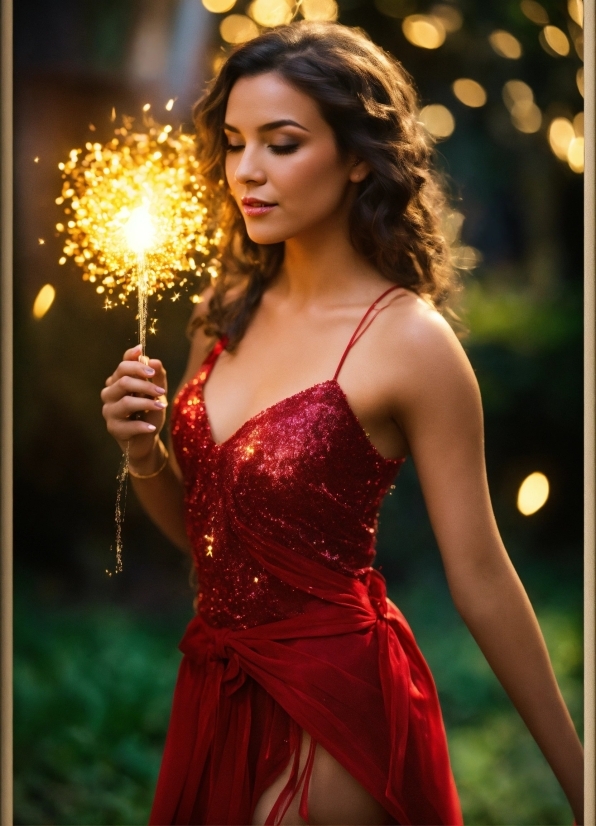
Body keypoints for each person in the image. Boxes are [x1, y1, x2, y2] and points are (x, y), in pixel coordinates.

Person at [101, 21, 583, 826]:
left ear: (359, 157)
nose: (247, 171)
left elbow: (483, 577)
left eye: (281, 144)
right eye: (234, 142)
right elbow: (205, 535)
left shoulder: (411, 343)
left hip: (337, 701)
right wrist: (143, 449)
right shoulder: (222, 310)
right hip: (215, 691)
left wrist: (581, 779)